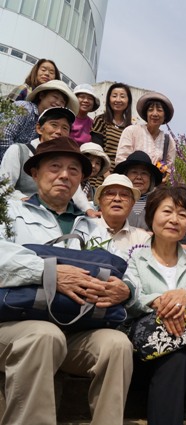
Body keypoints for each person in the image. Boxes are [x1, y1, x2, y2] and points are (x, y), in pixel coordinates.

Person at [0, 137, 133, 425]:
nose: (64, 175)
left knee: (116, 344)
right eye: (55, 167)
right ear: (34, 173)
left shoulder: (93, 227)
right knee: (44, 335)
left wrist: (126, 290)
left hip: (73, 329)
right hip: (12, 324)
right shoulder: (9, 213)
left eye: (73, 170)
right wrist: (48, 272)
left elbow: (124, 267)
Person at [124, 185, 186, 425]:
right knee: (176, 358)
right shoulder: (134, 258)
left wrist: (184, 293)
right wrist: (160, 302)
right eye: (167, 211)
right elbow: (131, 297)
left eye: (182, 214)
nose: (174, 220)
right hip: (145, 348)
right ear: (151, 215)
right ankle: (177, 400)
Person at [0, 80, 78, 161]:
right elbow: (4, 136)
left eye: (62, 101)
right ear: (41, 95)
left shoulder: (54, 125)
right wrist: (14, 160)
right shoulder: (24, 108)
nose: (58, 103)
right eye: (55, 97)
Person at [115, 92, 176, 172]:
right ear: (146, 114)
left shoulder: (168, 140)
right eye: (150, 110)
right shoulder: (131, 131)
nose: (155, 114)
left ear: (165, 116)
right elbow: (121, 160)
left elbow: (169, 168)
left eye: (159, 110)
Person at [94, 174, 150, 256]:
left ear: (133, 203)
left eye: (124, 195)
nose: (117, 199)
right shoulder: (85, 229)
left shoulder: (143, 239)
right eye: (110, 194)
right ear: (100, 200)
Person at [91, 82, 133, 181]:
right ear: (109, 100)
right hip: (100, 176)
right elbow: (96, 150)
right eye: (114, 96)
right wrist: (107, 175)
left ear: (128, 101)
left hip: (121, 178)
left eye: (122, 96)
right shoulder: (101, 120)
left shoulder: (130, 128)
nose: (118, 100)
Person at [113, 150, 163, 231]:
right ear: (125, 176)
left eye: (144, 173)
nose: (139, 177)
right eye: (134, 172)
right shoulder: (114, 199)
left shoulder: (157, 203)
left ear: (151, 179)